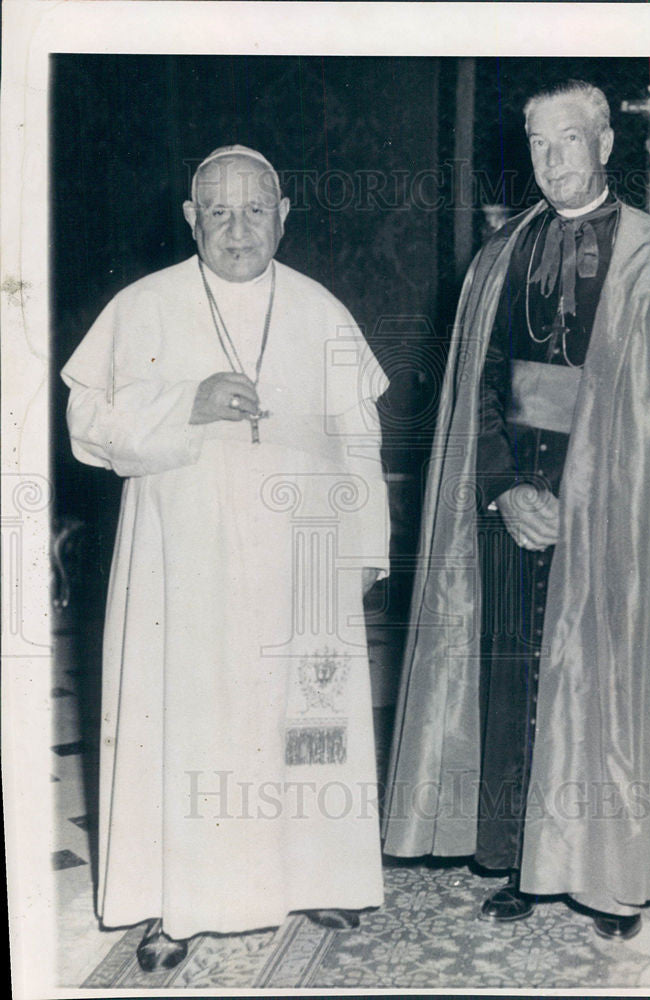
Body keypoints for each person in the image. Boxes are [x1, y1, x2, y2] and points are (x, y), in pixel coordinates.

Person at [382, 81, 650, 940]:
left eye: (569, 141)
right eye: (539, 145)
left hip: (620, 512)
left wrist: (586, 495)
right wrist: (506, 489)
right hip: (513, 504)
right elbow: (475, 391)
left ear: (606, 145)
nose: (553, 161)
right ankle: (524, 860)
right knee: (513, 682)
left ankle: (608, 871)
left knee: (609, 687)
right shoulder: (497, 255)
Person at [62, 145, 389, 969]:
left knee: (306, 727)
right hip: (187, 562)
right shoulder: (142, 306)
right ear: (189, 218)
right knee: (191, 723)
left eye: (254, 211)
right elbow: (85, 423)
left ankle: (320, 874)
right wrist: (187, 402)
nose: (237, 229)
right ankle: (180, 902)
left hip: (301, 564)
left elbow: (360, 439)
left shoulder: (322, 311)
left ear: (285, 215)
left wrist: (363, 553)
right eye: (218, 212)